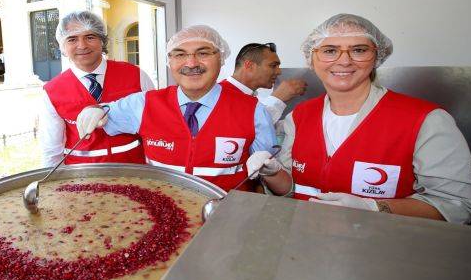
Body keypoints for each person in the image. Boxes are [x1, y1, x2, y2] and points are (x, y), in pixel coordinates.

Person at [259, 13, 471, 224]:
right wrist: (273, 174)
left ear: (376, 56)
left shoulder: (425, 120)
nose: (344, 61)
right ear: (312, 58)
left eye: (358, 50)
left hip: (386, 254)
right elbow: (291, 189)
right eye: (329, 50)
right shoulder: (299, 117)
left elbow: (458, 204)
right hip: (306, 246)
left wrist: (376, 208)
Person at [76, 25, 290, 192]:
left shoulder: (252, 111)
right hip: (163, 221)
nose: (191, 63)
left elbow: (280, 187)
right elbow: (106, 111)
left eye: (203, 53)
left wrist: (271, 172)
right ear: (169, 61)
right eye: (179, 54)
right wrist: (93, 110)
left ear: (221, 58)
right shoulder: (144, 104)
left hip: (227, 222)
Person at [40, 11, 155, 167]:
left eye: (90, 37)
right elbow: (51, 149)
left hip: (133, 172)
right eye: (72, 39)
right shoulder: (52, 90)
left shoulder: (136, 75)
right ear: (63, 46)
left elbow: (155, 126)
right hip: (81, 177)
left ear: (102, 40)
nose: (82, 45)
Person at [220, 43, 307, 123]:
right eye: (273, 66)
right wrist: (278, 98)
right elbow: (245, 128)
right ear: (249, 66)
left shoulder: (249, 97)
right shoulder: (220, 95)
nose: (279, 71)